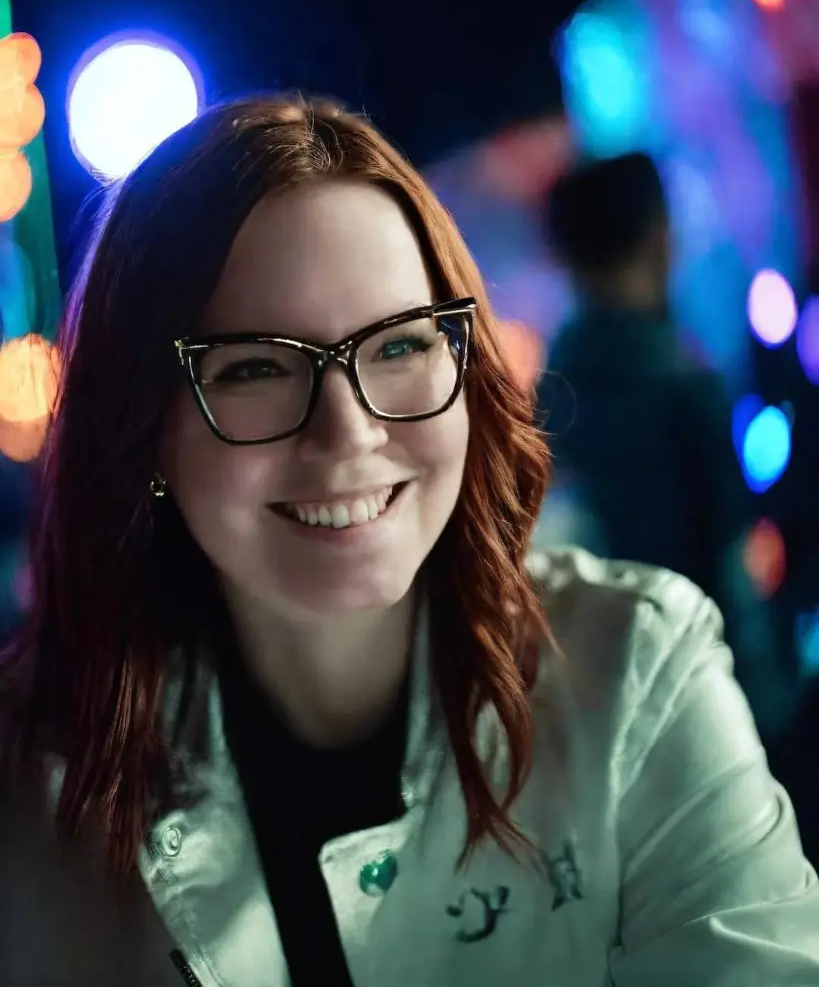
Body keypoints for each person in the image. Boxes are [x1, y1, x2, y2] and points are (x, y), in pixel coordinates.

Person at [0, 98, 817, 987]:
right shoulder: (32, 776)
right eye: (257, 368)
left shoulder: (635, 672)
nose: (347, 434)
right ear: (143, 425)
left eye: (398, 347)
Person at [537, 152, 794, 741]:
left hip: (600, 705)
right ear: (660, 237)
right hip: (707, 690)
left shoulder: (550, 396)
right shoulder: (683, 384)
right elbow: (733, 566)